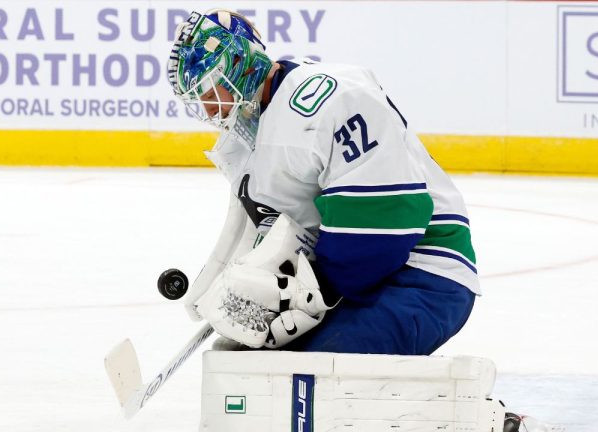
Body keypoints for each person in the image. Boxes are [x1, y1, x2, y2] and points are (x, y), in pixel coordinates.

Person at [166, 9, 478, 356]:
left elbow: (390, 218)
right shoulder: (249, 135)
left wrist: (311, 291)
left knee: (311, 373)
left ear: (242, 63)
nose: (210, 110)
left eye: (212, 90)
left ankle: (480, 411)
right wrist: (238, 284)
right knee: (254, 361)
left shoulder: (331, 100)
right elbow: (276, 232)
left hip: (424, 273)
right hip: (360, 275)